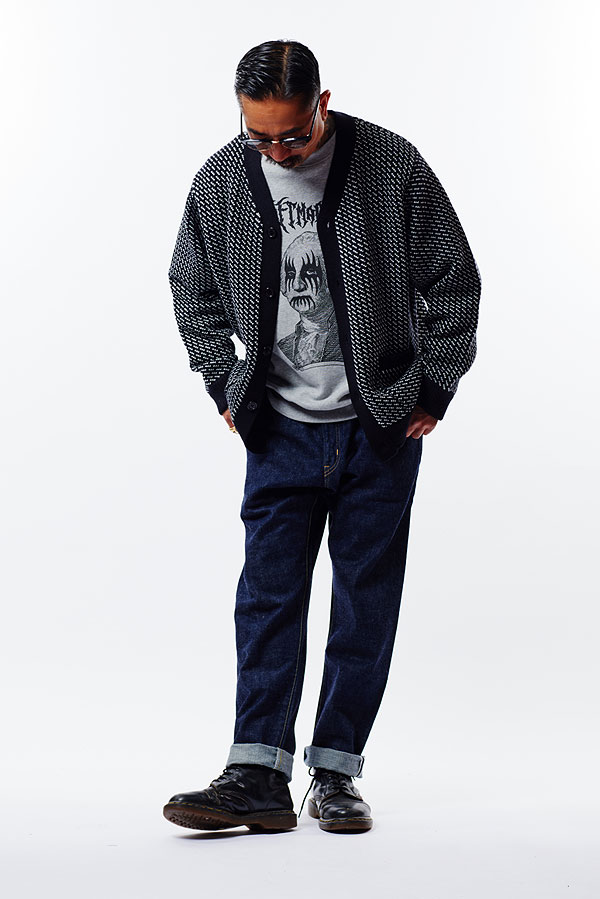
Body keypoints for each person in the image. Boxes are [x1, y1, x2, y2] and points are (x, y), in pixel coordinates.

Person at [163, 39, 481, 835]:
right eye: (259, 136)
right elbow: (190, 286)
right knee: (267, 599)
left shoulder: (390, 164)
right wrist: (223, 380)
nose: (277, 152)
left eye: (293, 135)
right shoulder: (221, 180)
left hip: (379, 429)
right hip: (280, 430)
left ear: (322, 105)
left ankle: (336, 772)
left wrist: (433, 387)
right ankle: (256, 773)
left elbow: (454, 278)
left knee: (364, 603)